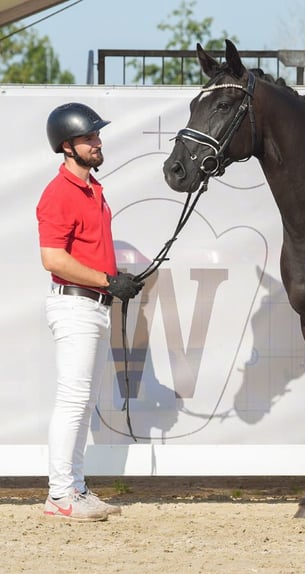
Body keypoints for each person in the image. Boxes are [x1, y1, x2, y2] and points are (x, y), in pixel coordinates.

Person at [37, 102, 144, 521]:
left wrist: (117, 280)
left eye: (98, 136)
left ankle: (75, 489)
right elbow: (52, 258)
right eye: (89, 137)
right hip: (75, 304)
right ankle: (60, 494)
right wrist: (106, 281)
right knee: (72, 400)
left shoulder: (93, 188)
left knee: (82, 402)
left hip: (93, 306)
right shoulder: (59, 193)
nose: (98, 142)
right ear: (67, 146)